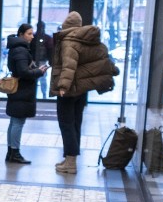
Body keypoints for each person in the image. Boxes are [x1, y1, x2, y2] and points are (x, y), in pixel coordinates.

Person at [50, 11, 119, 174]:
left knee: (66, 124)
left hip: (68, 90)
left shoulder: (69, 41)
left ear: (66, 25)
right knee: (75, 124)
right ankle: (69, 158)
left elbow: (69, 65)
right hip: (82, 91)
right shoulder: (89, 40)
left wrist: (63, 86)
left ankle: (70, 162)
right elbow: (102, 59)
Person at [5, 23, 48, 164]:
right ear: (21, 34)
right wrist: (39, 71)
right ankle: (15, 153)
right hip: (22, 91)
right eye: (29, 33)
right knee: (18, 122)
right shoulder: (21, 50)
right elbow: (23, 71)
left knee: (14, 121)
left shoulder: (17, 48)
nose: (32, 36)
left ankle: (11, 152)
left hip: (19, 91)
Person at [30, 20, 54, 98]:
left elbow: (50, 50)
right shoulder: (35, 37)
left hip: (41, 61)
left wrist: (51, 61)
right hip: (35, 61)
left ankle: (43, 93)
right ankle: (41, 94)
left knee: (42, 79)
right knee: (38, 79)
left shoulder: (46, 38)